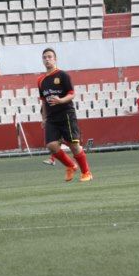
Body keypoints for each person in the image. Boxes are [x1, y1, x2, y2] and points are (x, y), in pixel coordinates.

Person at [37, 48, 93, 182]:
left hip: (66, 114)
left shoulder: (63, 75)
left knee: (74, 145)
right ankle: (70, 166)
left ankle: (86, 173)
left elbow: (72, 93)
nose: (47, 59)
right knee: (51, 145)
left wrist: (60, 100)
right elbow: (44, 101)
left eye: (50, 57)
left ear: (55, 59)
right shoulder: (40, 80)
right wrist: (44, 118)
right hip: (51, 118)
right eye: (45, 57)